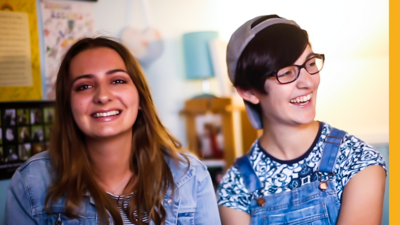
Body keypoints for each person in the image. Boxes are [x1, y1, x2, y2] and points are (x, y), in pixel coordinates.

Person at [5, 37, 221, 225]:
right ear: (68, 106)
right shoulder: (31, 183)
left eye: (117, 81)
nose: (102, 96)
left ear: (140, 99)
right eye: (84, 86)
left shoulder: (190, 176)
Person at [217, 15, 386, 225]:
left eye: (310, 63)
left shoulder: (357, 159)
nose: (307, 81)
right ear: (249, 92)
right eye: (287, 72)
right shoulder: (237, 184)